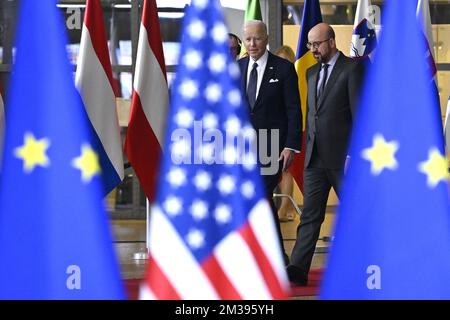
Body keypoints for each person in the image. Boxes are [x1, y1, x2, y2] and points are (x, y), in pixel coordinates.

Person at [287, 23, 365, 285]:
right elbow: (313, 114)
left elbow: (360, 116)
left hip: (343, 159)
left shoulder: (353, 69)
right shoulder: (310, 72)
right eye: (310, 45)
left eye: (317, 44)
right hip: (314, 158)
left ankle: (365, 263)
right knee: (310, 214)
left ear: (332, 41)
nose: (313, 49)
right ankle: (298, 268)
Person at [238, 20, 302, 265]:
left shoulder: (284, 69)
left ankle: (278, 258)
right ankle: (259, 257)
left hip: (272, 147)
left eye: (257, 39)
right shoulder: (237, 67)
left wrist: (290, 145)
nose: (252, 44)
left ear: (266, 38)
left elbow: (293, 111)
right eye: (248, 40)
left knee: (263, 196)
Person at [274, 45, 297, 223]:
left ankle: (284, 208)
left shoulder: (293, 77)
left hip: (286, 129)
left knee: (285, 169)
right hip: (271, 128)